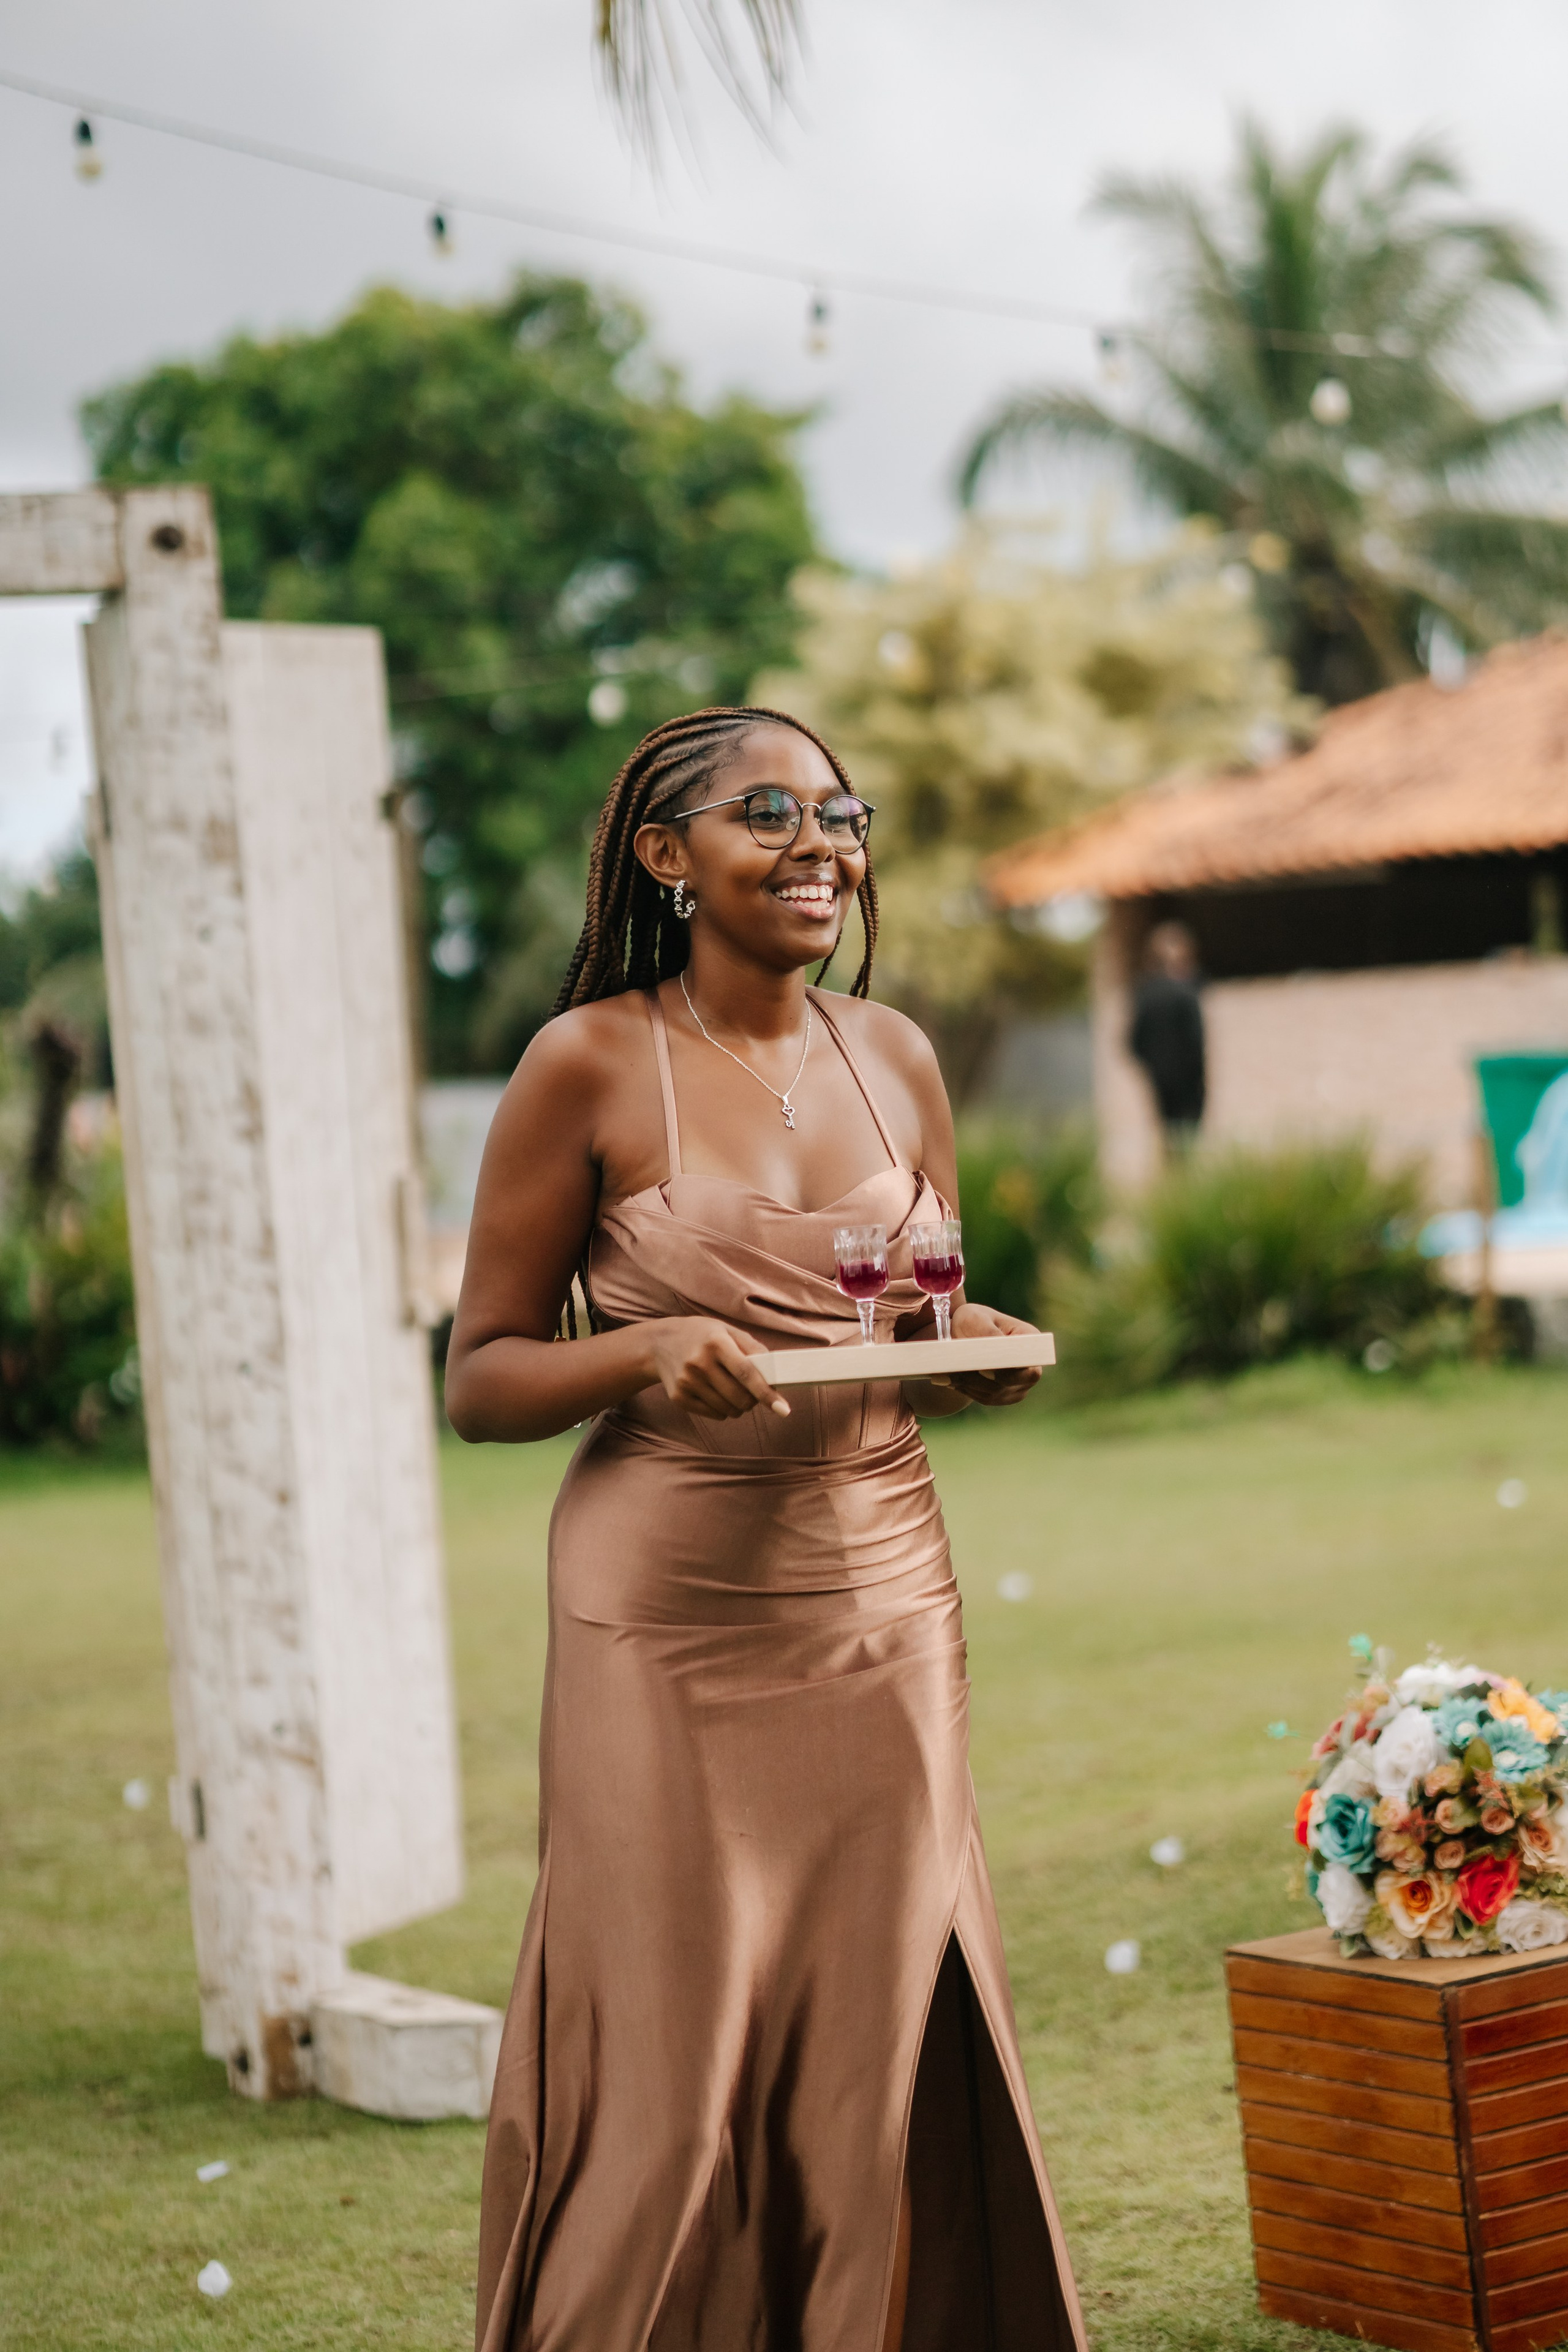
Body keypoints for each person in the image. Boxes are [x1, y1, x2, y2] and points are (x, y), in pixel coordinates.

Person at [446, 706, 1088, 2352]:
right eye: (770, 814)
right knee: (670, 2058)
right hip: (667, 1613)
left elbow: (910, 1324)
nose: (820, 848)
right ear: (665, 855)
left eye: (841, 816)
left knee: (871, 2040)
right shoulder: (586, 1062)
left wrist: (970, 1353)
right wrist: (641, 1351)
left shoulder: (897, 1056)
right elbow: (483, 1377)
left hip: (887, 1595)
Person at [1128, 921, 1205, 1158]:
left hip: (1161, 1080)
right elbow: (1196, 1041)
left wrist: (1154, 1067)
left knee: (1168, 1138)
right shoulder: (1185, 993)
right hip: (1188, 1083)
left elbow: (1133, 1042)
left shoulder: (1145, 993)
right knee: (1186, 1141)